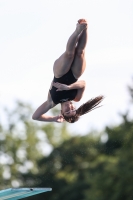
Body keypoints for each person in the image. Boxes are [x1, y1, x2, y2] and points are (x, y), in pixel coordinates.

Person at [32, 19, 104, 123]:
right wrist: (69, 87)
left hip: (59, 73)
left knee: (70, 54)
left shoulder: (52, 101)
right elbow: (83, 84)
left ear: (61, 112)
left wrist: (53, 119)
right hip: (74, 75)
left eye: (67, 111)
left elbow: (35, 116)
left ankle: (77, 31)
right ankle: (84, 28)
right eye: (72, 109)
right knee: (80, 52)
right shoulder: (76, 97)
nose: (70, 108)